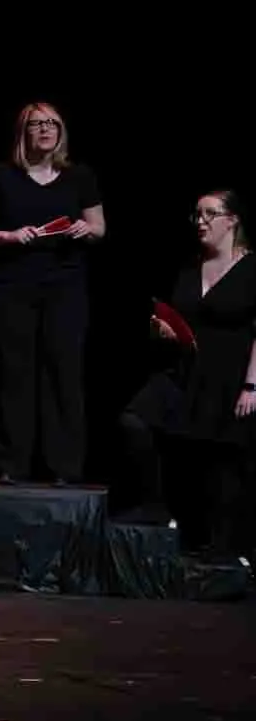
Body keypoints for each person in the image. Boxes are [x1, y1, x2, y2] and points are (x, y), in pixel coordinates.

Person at [0, 102, 106, 484]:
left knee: (64, 374)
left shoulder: (79, 176)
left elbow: (99, 228)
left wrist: (83, 229)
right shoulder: (0, 175)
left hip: (65, 285)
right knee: (16, 375)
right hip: (10, 287)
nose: (45, 129)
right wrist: (9, 235)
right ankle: (13, 466)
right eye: (36, 124)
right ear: (23, 132)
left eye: (52, 123)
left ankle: (66, 468)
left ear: (61, 131)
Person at [119, 190, 255, 560]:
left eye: (210, 214)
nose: (200, 221)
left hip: (229, 376)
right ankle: (154, 506)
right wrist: (160, 329)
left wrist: (251, 384)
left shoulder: (251, 269)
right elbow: (179, 322)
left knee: (221, 460)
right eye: (196, 214)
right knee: (135, 420)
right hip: (183, 371)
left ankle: (222, 546)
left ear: (232, 220)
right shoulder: (189, 269)